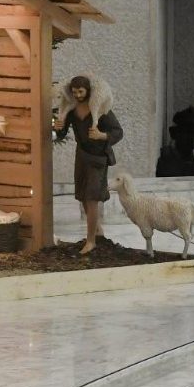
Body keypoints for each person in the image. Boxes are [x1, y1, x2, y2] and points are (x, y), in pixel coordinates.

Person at [53, 75, 124, 255]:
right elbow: (62, 133)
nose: (78, 95)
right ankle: (97, 230)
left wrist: (101, 136)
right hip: (82, 156)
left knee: (92, 198)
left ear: (88, 91)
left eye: (81, 91)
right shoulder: (72, 109)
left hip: (98, 158)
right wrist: (59, 127)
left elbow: (118, 132)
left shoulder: (100, 109)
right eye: (74, 92)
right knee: (84, 195)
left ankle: (91, 240)